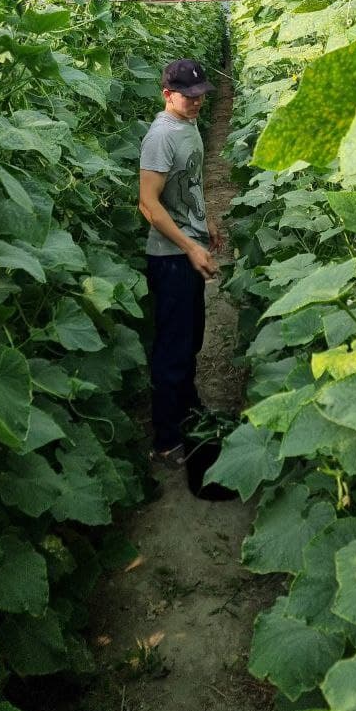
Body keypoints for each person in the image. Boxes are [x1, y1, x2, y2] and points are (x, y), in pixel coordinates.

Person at [139, 58, 222, 467]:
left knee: (191, 341)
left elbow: (188, 185)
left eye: (199, 96)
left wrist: (206, 224)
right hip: (170, 258)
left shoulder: (188, 127)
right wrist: (190, 247)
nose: (195, 103)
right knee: (173, 349)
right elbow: (148, 205)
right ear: (166, 94)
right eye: (187, 97)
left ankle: (187, 410)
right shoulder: (161, 136)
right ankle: (166, 438)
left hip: (186, 249)